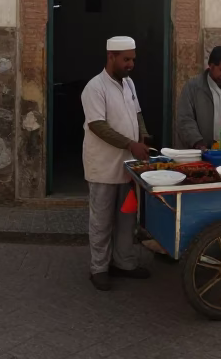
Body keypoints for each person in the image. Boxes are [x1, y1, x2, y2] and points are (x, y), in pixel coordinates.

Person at [80, 36, 152, 291]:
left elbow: (137, 113)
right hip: (103, 166)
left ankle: (124, 263)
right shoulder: (94, 87)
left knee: (126, 219)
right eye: (126, 59)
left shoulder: (129, 84)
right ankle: (98, 268)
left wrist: (143, 135)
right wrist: (130, 144)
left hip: (128, 165)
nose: (131, 64)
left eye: (133, 59)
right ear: (111, 57)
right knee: (101, 220)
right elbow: (97, 125)